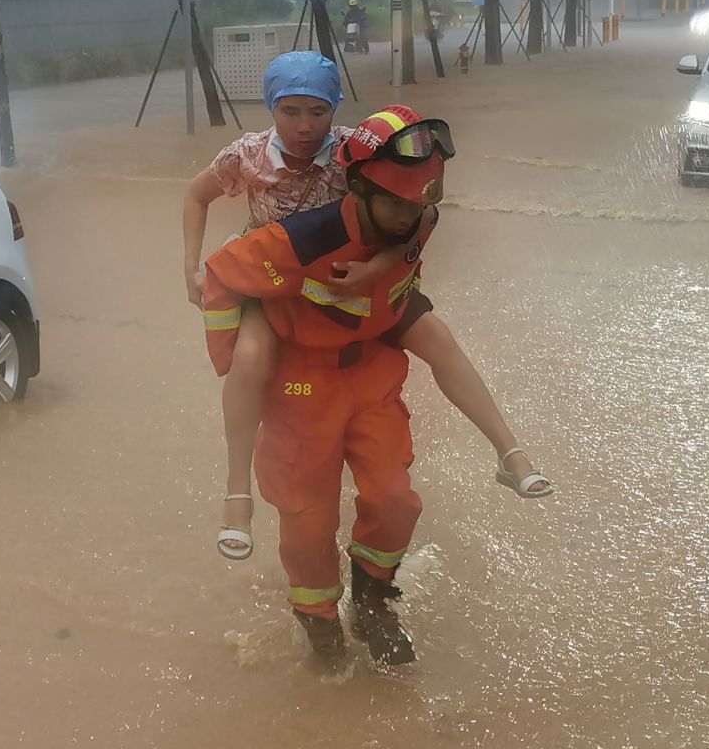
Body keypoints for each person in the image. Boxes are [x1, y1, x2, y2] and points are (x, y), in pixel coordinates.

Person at [181, 56, 550, 562]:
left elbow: (422, 207)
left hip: (361, 268)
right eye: (290, 112)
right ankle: (236, 493)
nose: (305, 125)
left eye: (318, 110)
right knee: (249, 360)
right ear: (271, 108)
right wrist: (190, 268)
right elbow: (194, 196)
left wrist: (379, 268)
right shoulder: (246, 155)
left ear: (335, 107)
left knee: (438, 340)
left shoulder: (358, 150)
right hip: (279, 274)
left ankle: (509, 452)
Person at [199, 107, 493, 666]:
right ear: (359, 189)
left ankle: (375, 599)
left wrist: (379, 263)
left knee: (393, 497)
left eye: (420, 203)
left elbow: (417, 231)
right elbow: (221, 271)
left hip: (369, 372)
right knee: (307, 516)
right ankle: (318, 623)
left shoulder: (415, 210)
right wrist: (238, 357)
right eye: (291, 109)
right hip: (298, 381)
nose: (412, 214)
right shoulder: (297, 228)